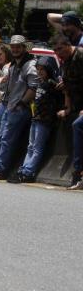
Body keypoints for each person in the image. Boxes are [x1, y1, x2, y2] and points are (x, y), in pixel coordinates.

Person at [0, 35, 39, 181]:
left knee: (6, 139)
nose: (15, 49)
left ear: (24, 48)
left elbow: (33, 87)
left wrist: (21, 104)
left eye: (18, 47)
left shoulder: (30, 65)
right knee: (1, 138)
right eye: (13, 47)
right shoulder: (14, 65)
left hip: (19, 108)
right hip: (9, 106)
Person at [14, 56, 62, 183]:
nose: (40, 72)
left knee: (37, 147)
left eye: (43, 69)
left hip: (45, 120)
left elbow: (60, 89)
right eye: (38, 69)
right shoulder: (40, 82)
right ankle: (24, 169)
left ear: (49, 70)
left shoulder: (53, 84)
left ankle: (29, 171)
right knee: (30, 146)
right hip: (36, 118)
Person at [51, 34, 83, 190]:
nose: (58, 52)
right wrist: (67, 108)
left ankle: (78, 173)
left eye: (60, 48)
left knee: (78, 125)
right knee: (70, 123)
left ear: (68, 44)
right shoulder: (65, 64)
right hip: (76, 105)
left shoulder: (80, 55)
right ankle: (78, 174)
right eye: (55, 50)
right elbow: (67, 88)